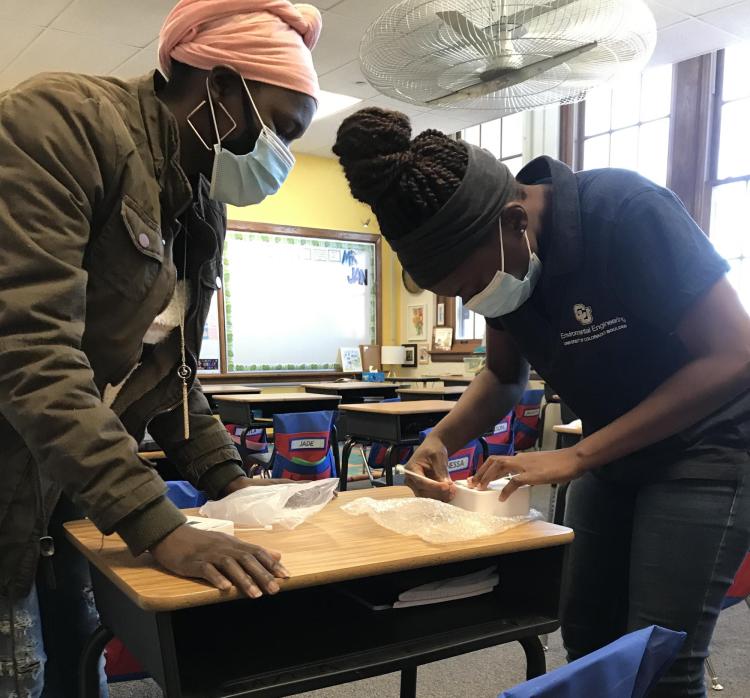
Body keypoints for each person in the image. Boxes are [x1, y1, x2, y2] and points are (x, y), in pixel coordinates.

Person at [333, 107, 750, 697]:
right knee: (587, 638)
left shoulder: (626, 213)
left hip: (709, 449)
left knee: (661, 658)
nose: (478, 302)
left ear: (515, 221)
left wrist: (578, 457)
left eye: (473, 287)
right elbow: (504, 375)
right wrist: (440, 438)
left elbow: (735, 353)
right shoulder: (506, 264)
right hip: (612, 456)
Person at [0, 0, 322, 695]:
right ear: (221, 88)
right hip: (7, 481)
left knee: (80, 669)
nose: (283, 157)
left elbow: (171, 378)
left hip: (71, 490)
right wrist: (157, 523)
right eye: (282, 130)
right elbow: (30, 351)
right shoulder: (58, 123)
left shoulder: (201, 203)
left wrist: (232, 485)